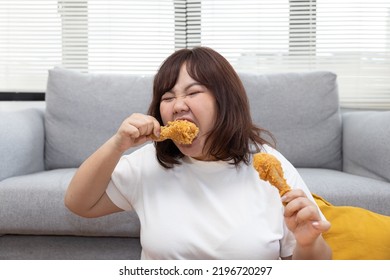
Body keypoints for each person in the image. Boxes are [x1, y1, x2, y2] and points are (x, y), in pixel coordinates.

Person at [65, 46, 332, 260]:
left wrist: (308, 243)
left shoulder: (269, 166)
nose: (178, 105)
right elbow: (79, 204)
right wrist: (117, 144)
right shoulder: (149, 162)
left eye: (193, 92)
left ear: (224, 103)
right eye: (167, 98)